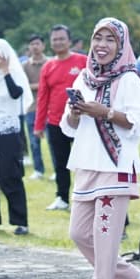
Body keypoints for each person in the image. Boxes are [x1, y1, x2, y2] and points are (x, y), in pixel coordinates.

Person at [63, 18, 140, 279]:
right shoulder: (83, 79)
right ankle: (127, 278)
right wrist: (75, 113)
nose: (101, 45)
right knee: (78, 232)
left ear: (121, 46)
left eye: (110, 39)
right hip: (87, 163)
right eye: (97, 38)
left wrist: (107, 113)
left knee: (104, 237)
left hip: (117, 166)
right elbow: (68, 128)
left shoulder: (128, 79)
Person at [34, 25, 89, 211]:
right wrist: (39, 125)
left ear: (69, 40)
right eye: (55, 39)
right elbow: (42, 97)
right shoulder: (48, 66)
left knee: (85, 162)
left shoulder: (83, 61)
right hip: (56, 123)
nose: (58, 42)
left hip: (82, 121)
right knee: (60, 162)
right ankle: (62, 197)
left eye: (61, 38)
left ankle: (86, 198)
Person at [0, 37, 31, 235]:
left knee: (10, 175)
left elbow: (16, 94)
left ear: (5, 56)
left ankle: (20, 221)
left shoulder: (13, 74)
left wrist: (6, 71)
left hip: (8, 131)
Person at [20, 34, 48, 180]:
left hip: (49, 108)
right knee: (33, 142)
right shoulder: (24, 65)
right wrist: (43, 85)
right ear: (29, 47)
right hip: (31, 108)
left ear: (43, 45)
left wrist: (37, 86)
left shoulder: (50, 63)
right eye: (32, 44)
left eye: (37, 43)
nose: (35, 47)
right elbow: (22, 86)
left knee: (52, 142)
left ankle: (57, 170)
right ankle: (38, 170)